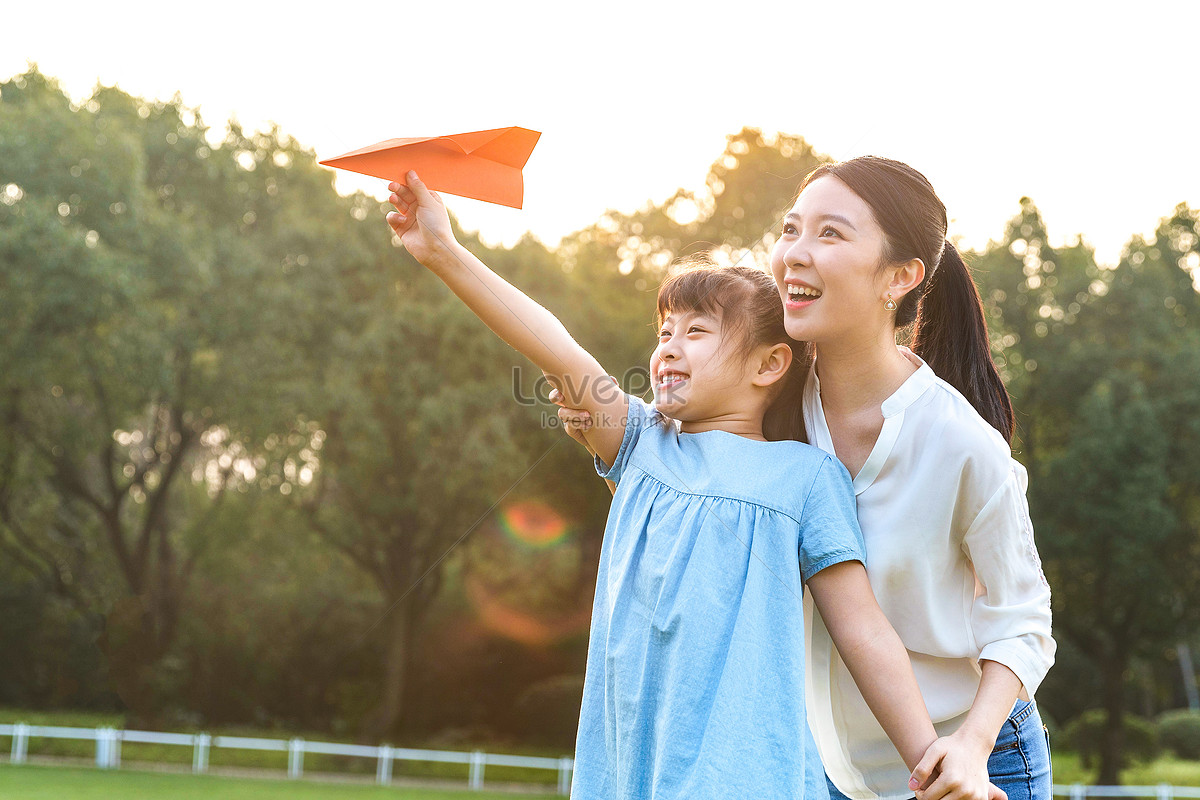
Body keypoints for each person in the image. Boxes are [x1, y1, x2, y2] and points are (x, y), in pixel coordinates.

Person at [384, 170, 961, 800]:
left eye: (696, 332)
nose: (668, 349)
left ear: (769, 365)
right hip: (630, 766)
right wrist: (443, 251)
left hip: (748, 776)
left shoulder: (806, 479)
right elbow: (554, 345)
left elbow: (863, 630)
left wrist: (930, 759)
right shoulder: (641, 443)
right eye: (664, 332)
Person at [552, 156, 1055, 800]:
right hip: (829, 769)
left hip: (966, 762)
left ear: (900, 277)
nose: (794, 252)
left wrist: (970, 747)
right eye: (790, 229)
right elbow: (701, 494)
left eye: (830, 234)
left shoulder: (960, 444)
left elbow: (1022, 619)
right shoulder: (775, 399)